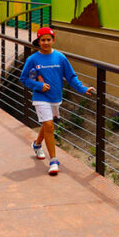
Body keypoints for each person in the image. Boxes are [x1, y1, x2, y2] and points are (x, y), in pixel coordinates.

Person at [20, 27, 95, 175]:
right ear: (38, 41)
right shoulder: (32, 59)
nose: (46, 42)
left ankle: (36, 144)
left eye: (48, 39)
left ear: (53, 40)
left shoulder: (60, 57)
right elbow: (24, 78)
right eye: (43, 40)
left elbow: (71, 76)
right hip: (40, 97)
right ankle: (53, 161)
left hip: (56, 97)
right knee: (48, 125)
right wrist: (39, 86)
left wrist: (82, 88)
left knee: (47, 124)